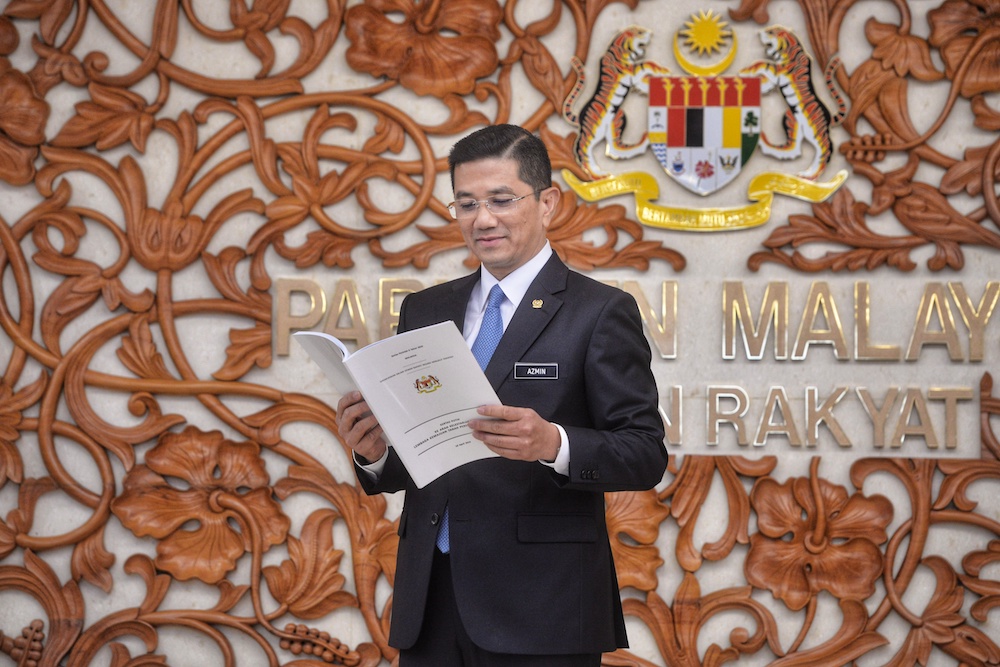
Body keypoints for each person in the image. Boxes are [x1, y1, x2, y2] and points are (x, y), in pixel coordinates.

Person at [336, 124, 667, 666]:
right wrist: (374, 455)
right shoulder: (425, 309)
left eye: (500, 200)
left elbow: (644, 453)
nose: (482, 219)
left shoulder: (599, 312)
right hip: (431, 599)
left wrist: (553, 443)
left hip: (542, 605)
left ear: (547, 202)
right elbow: (422, 454)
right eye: (465, 204)